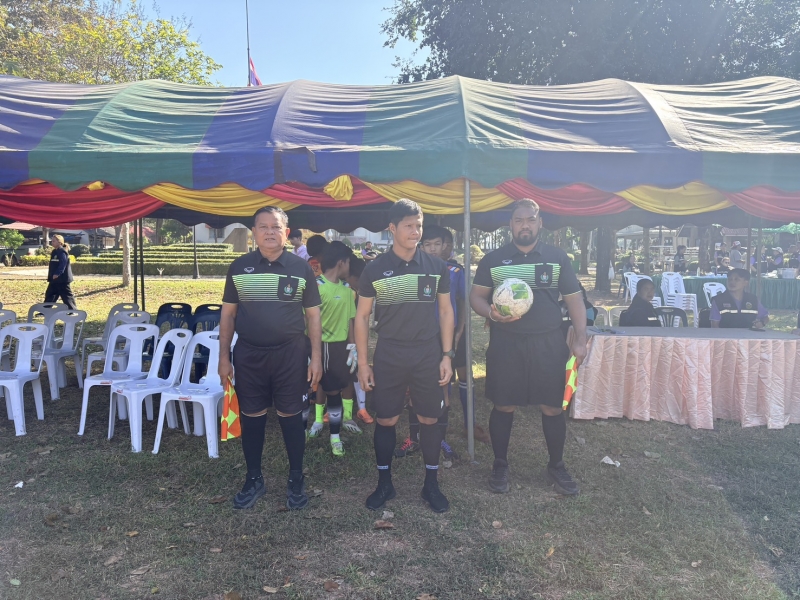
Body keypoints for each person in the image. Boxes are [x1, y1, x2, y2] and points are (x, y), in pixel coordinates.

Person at [470, 199, 587, 496]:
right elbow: (477, 297)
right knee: (503, 404)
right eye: (519, 220)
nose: (525, 225)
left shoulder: (557, 258)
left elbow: (574, 299)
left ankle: (556, 465)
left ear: (540, 223)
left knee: (552, 406)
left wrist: (580, 339)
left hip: (548, 341)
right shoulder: (494, 260)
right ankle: (500, 464)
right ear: (511, 224)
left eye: (530, 220)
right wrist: (490, 313)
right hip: (505, 342)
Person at [218, 206, 323, 511]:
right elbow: (228, 315)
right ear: (254, 233)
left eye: (275, 227)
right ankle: (254, 479)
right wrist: (224, 357)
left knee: (291, 416)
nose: (269, 232)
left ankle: (296, 478)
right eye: (263, 227)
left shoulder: (301, 268)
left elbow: (313, 317)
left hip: (291, 354)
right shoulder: (240, 267)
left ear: (286, 233)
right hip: (249, 354)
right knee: (252, 416)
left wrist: (316, 358)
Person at [356, 199, 454, 513]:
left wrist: (447, 355)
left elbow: (445, 311)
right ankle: (384, 483)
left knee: (429, 418)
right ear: (392, 228)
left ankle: (431, 485)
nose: (415, 231)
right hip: (390, 352)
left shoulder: (436, 267)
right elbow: (362, 317)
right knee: (386, 419)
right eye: (409, 225)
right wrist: (363, 363)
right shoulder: (374, 269)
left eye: (418, 225)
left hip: (427, 352)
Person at [308, 241, 360, 455]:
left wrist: (353, 347)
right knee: (320, 386)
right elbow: (307, 320)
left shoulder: (348, 291)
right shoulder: (316, 287)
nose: (350, 266)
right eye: (348, 262)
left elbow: (350, 320)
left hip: (340, 347)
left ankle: (337, 429)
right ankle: (320, 424)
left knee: (336, 388)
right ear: (341, 262)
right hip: (319, 346)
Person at [440, 227, 491, 445]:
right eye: (432, 244)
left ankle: (470, 425)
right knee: (440, 378)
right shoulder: (421, 269)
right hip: (431, 334)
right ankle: (439, 428)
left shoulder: (456, 270)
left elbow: (462, 301)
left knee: (465, 376)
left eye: (445, 244)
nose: (441, 248)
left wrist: (460, 330)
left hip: (455, 332)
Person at [345, 256, 373, 425]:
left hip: (354, 339)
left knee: (355, 371)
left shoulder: (360, 293)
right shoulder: (346, 290)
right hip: (341, 338)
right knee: (342, 373)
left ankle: (361, 408)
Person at [45, 234, 78, 309]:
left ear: (59, 242)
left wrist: (57, 273)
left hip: (62, 279)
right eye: (52, 241)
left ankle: (72, 310)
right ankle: (45, 310)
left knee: (66, 295)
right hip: (54, 279)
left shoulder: (62, 252)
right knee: (50, 294)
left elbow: (63, 264)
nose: (52, 242)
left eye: (54, 241)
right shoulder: (54, 251)